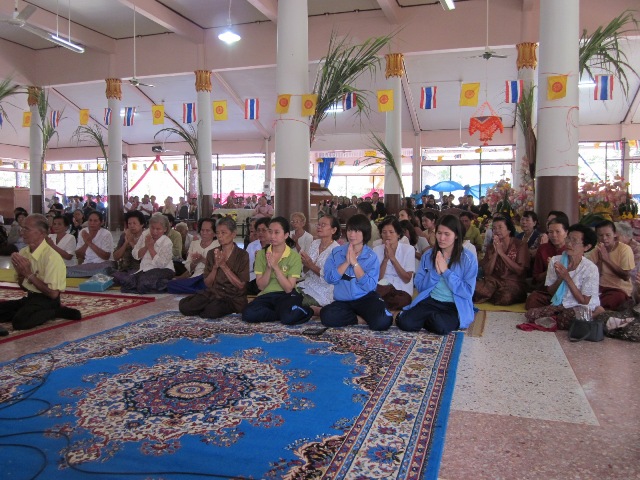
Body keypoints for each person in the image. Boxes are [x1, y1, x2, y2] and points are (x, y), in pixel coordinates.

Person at [0, 214, 80, 336]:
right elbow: (24, 288)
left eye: (27, 229)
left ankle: (55, 311)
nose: (22, 232)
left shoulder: (52, 257)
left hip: (48, 300)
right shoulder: (24, 252)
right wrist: (21, 274)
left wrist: (29, 274)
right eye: (22, 228)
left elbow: (53, 294)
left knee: (20, 322)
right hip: (31, 297)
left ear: (41, 233)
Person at [397, 215, 478, 334]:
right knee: (405, 323)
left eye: (447, 234)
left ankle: (429, 319)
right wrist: (435, 273)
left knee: (440, 326)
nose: (441, 238)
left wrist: (446, 272)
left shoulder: (468, 258)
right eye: (439, 233)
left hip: (454, 304)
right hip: (431, 300)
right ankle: (428, 318)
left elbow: (467, 292)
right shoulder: (428, 255)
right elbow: (419, 286)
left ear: (456, 235)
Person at [320, 214, 393, 331]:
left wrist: (355, 264)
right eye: (349, 230)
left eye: (357, 231)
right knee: (326, 316)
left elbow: (370, 286)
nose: (352, 234)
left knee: (383, 321)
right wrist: (346, 263)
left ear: (365, 233)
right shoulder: (336, 252)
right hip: (343, 300)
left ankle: (359, 316)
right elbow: (329, 278)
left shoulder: (371, 256)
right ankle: (358, 319)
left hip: (365, 298)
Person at [524, 224, 602, 330]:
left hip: (580, 306)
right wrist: (561, 277)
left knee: (567, 317)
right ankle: (560, 319)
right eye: (568, 238)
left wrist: (567, 277)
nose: (569, 243)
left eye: (574, 241)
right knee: (531, 314)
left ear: (586, 247)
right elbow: (551, 292)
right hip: (561, 304)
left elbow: (584, 301)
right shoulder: (556, 261)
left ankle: (595, 313)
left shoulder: (590, 268)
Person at [242, 217, 309, 325]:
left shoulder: (294, 256)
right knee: (248, 314)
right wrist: (269, 268)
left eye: (277, 232)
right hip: (266, 294)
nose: (272, 236)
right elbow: (261, 286)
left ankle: (304, 311)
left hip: (286, 295)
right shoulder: (261, 254)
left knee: (288, 318)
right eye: (270, 232)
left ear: (286, 235)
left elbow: (288, 288)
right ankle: (281, 314)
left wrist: (276, 267)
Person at [179, 217, 250, 318]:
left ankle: (209, 307)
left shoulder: (242, 255)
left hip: (232, 297)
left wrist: (224, 266)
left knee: (211, 311)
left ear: (233, 234)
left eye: (223, 233)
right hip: (214, 293)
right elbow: (207, 283)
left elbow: (241, 285)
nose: (220, 236)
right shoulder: (212, 253)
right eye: (217, 233)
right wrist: (215, 267)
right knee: (184, 307)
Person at [473, 214, 530, 305]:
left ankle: (491, 295)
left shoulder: (520, 245)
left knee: (505, 297)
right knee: (475, 290)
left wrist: (501, 253)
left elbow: (520, 271)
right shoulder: (491, 247)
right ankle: (492, 294)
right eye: (494, 228)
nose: (497, 231)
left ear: (509, 229)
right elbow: (487, 272)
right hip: (494, 281)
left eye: (500, 227)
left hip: (513, 283)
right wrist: (495, 253)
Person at [112, 214, 175, 294]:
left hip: (163, 269)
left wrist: (151, 248)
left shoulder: (167, 242)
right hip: (145, 269)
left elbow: (161, 264)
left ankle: (166, 284)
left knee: (143, 283)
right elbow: (135, 254)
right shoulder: (145, 234)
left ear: (165, 229)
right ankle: (145, 285)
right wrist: (146, 247)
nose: (154, 232)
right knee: (126, 283)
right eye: (152, 228)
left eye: (158, 229)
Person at [296, 215, 341, 316]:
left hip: (323, 291)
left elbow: (331, 278)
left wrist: (311, 265)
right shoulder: (315, 243)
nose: (319, 227)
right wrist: (305, 263)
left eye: (323, 225)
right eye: (318, 224)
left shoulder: (337, 250)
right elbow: (305, 270)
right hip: (307, 284)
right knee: (287, 295)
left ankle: (318, 310)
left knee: (295, 303)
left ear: (333, 230)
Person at [589, 220, 635, 310]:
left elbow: (626, 276)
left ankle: (599, 311)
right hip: (600, 288)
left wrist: (607, 260)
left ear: (615, 234)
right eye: (600, 235)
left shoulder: (624, 249)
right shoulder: (596, 250)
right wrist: (600, 260)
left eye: (608, 235)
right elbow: (594, 276)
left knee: (614, 298)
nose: (604, 238)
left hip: (618, 289)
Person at [167, 218, 219, 294]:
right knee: (170, 285)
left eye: (208, 230)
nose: (204, 233)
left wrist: (202, 259)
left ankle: (199, 290)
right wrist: (195, 262)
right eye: (202, 230)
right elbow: (189, 268)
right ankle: (199, 290)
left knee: (205, 283)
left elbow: (218, 266)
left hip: (208, 277)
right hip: (195, 278)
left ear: (214, 233)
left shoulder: (218, 244)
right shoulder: (194, 243)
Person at [525, 218, 569, 308]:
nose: (554, 235)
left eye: (558, 232)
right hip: (548, 290)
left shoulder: (571, 249)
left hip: (568, 290)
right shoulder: (543, 248)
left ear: (566, 233)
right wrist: (550, 270)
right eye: (551, 232)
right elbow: (536, 277)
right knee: (532, 300)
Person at [374, 217, 415, 310]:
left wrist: (392, 258)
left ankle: (384, 309)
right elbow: (378, 278)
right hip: (383, 288)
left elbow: (407, 279)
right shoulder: (376, 250)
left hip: (401, 290)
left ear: (398, 234)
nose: (387, 235)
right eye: (384, 232)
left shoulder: (408, 249)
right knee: (372, 297)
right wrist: (385, 259)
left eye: (391, 232)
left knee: (401, 300)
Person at [67, 210, 114, 277]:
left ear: (101, 222)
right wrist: (86, 243)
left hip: (103, 264)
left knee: (105, 271)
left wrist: (90, 243)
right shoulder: (83, 232)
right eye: (90, 220)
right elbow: (79, 255)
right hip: (87, 265)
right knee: (67, 271)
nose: (92, 223)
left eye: (95, 221)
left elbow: (106, 256)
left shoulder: (106, 234)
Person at [113, 210, 146, 275]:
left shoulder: (146, 237)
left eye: (134, 223)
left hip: (140, 270)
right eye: (129, 224)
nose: (131, 226)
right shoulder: (124, 236)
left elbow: (142, 258)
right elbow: (116, 257)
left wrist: (131, 242)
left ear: (142, 224)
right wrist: (126, 243)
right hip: (124, 269)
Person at [246, 217, 270, 295]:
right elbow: (247, 267)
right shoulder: (251, 245)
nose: (260, 233)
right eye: (258, 230)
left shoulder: (276, 245)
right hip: (253, 278)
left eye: (264, 230)